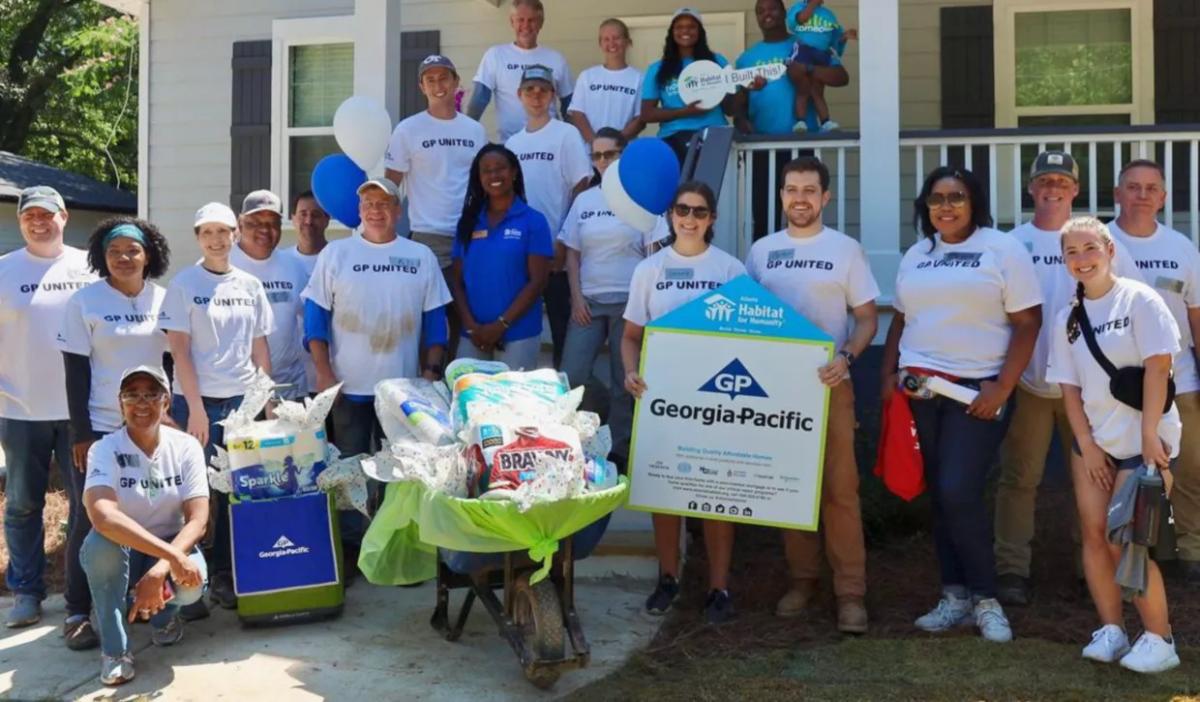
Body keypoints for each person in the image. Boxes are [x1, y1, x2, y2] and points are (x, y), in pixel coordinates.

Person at [880, 166, 1042, 643]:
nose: (945, 206)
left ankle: (987, 600)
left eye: (956, 197)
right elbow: (901, 319)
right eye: (936, 199)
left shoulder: (1002, 248)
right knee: (941, 494)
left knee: (958, 489)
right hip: (919, 391)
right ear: (925, 207)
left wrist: (1002, 388)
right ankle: (954, 597)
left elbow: (1028, 322)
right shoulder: (917, 254)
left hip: (977, 393)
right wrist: (888, 374)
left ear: (975, 203)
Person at [994, 151, 1143, 606]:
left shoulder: (1092, 240)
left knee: (1096, 479)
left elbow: (1129, 304)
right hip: (1032, 384)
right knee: (1019, 479)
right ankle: (1012, 570)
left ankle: (1093, 567)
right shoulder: (1010, 244)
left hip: (1092, 390)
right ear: (1031, 188)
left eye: (1062, 181)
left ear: (1076, 189)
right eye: (1044, 181)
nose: (1052, 188)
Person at [745, 157, 878, 633]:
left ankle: (851, 593)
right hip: (776, 390)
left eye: (809, 190)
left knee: (841, 491)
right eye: (790, 189)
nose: (798, 198)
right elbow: (748, 315)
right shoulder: (762, 251)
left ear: (825, 197)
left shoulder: (845, 250)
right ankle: (803, 581)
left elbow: (867, 316)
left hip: (831, 384)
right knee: (790, 489)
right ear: (781, 196)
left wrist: (847, 357)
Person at [1048, 216, 1181, 673]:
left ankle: (1160, 640)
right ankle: (1112, 630)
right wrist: (1086, 442)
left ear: (1108, 248)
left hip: (1144, 445)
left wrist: (1148, 437)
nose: (1082, 260)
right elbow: (1067, 387)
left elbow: (1159, 368)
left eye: (1090, 249)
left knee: (1129, 542)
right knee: (1094, 537)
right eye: (1072, 253)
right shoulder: (1066, 316)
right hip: (1095, 443)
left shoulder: (1140, 299)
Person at [302, 177, 451, 574]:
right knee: (350, 470)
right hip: (348, 388)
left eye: (384, 203)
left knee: (399, 472)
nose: (375, 210)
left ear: (397, 212)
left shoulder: (420, 256)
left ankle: (393, 553)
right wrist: (323, 372)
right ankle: (352, 552)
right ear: (359, 210)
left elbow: (435, 320)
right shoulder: (336, 254)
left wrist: (431, 372)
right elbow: (316, 319)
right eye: (368, 202)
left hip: (402, 392)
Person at [622, 181, 747, 625]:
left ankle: (718, 586)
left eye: (699, 211)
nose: (689, 219)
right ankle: (668, 578)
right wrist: (630, 371)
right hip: (663, 398)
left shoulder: (732, 270)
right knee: (664, 493)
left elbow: (749, 340)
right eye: (682, 210)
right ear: (671, 214)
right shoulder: (649, 270)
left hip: (717, 400)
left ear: (712, 219)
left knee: (717, 495)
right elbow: (630, 337)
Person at [57, 217, 172, 647]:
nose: (124, 258)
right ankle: (75, 612)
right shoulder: (84, 302)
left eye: (133, 250)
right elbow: (75, 371)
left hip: (153, 428)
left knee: (152, 513)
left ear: (149, 254)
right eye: (114, 252)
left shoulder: (165, 299)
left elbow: (174, 362)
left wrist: (171, 414)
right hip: (103, 427)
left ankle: (151, 600)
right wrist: (80, 434)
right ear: (101, 258)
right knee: (89, 521)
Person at [159, 202, 273, 609]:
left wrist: (267, 401)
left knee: (234, 491)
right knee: (194, 493)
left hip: (243, 402)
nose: (216, 239)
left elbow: (260, 347)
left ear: (235, 235)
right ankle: (187, 579)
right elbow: (180, 351)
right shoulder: (185, 284)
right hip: (198, 403)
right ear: (197, 238)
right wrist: (197, 410)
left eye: (223, 231)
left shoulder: (250, 285)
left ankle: (225, 573)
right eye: (207, 232)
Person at [1, 186, 97, 635]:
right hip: (19, 408)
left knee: (86, 503)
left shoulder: (89, 267)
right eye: (29, 216)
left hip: (82, 411)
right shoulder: (4, 271)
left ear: (64, 216)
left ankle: (83, 590)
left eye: (46, 214)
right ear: (21, 222)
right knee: (22, 504)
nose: (38, 223)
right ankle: (26, 591)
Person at [80, 366, 209, 686]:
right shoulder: (105, 448)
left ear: (166, 402)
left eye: (151, 394)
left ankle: (162, 618)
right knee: (99, 547)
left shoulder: (186, 446)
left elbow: (199, 519)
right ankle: (115, 650)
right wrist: (171, 558)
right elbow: (102, 516)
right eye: (131, 394)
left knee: (193, 582)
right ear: (119, 403)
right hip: (123, 548)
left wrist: (160, 568)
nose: (141, 402)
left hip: (167, 546)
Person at [1107, 159, 1200, 588]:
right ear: (1117, 194)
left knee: (1188, 470)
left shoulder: (1182, 248)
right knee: (1108, 474)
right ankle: (1104, 554)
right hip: (1117, 386)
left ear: (1163, 198)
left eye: (1151, 188)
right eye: (1133, 187)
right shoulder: (1102, 243)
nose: (1142, 195)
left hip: (1179, 378)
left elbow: (1196, 315)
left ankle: (1190, 549)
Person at [559, 128, 655, 469]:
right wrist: (576, 299)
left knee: (623, 380)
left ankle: (621, 450)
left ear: (623, 155)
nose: (603, 161)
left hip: (629, 304)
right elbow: (571, 254)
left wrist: (645, 305)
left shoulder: (641, 197)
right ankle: (580, 440)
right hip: (589, 303)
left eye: (610, 154)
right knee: (571, 375)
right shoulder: (585, 200)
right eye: (597, 155)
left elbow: (653, 254)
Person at [385, 54, 487, 359]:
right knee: (429, 317)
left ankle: (458, 383)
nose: (438, 85)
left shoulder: (474, 131)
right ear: (421, 86)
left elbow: (485, 182)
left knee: (467, 317)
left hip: (472, 237)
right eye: (430, 79)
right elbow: (391, 187)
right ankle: (427, 382)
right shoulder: (408, 129)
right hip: (428, 237)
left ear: (456, 82)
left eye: (444, 78)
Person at [506, 64, 593, 369]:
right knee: (520, 325)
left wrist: (563, 239)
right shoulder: (512, 144)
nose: (536, 96)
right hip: (521, 250)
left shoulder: (566, 134)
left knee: (561, 328)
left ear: (554, 95)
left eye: (543, 90)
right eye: (530, 89)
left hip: (557, 250)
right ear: (519, 95)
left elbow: (582, 187)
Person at [734, 0, 830, 239]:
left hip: (802, 142)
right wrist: (741, 121)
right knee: (763, 213)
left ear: (784, 13)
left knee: (804, 211)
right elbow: (738, 107)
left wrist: (807, 70)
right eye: (760, 11)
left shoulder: (803, 45)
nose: (767, 14)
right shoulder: (746, 59)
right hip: (762, 145)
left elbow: (838, 74)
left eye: (772, 9)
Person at [451, 144, 553, 371]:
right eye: (486, 170)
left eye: (500, 168)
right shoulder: (468, 222)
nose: (494, 175)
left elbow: (538, 282)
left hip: (518, 334)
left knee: (512, 405)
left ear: (514, 172)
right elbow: (457, 282)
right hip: (472, 335)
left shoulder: (533, 221)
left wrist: (500, 325)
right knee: (468, 403)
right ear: (479, 177)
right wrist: (471, 326)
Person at [229, 190, 310, 400]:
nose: (265, 230)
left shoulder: (293, 266)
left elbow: (310, 318)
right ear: (239, 223)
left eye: (273, 223)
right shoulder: (222, 264)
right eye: (255, 222)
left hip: (288, 388)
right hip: (237, 391)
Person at [468, 0, 573, 141]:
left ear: (541, 23)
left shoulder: (556, 59)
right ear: (512, 22)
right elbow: (479, 101)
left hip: (551, 142)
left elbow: (569, 106)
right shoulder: (495, 55)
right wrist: (467, 134)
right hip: (510, 145)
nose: (525, 26)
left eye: (532, 20)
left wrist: (574, 139)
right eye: (520, 20)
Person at [640, 8, 731, 164]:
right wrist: (685, 112)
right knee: (680, 188)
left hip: (715, 134)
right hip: (674, 138)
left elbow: (731, 108)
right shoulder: (657, 69)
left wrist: (745, 88)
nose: (685, 31)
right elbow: (647, 114)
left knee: (715, 187)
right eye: (679, 27)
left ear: (700, 31)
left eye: (691, 26)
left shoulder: (717, 61)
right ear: (672, 32)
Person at [567, 18, 644, 144]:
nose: (612, 43)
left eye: (617, 38)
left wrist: (615, 143)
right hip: (591, 154)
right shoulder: (587, 76)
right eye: (606, 39)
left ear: (627, 42)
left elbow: (640, 118)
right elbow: (577, 113)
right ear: (600, 43)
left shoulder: (639, 78)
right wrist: (596, 144)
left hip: (623, 151)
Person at [784, 0, 854, 133]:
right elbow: (800, 19)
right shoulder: (798, 7)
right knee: (803, 89)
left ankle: (825, 122)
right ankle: (800, 121)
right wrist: (812, 4)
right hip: (803, 50)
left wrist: (844, 37)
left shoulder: (829, 15)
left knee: (817, 91)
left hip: (821, 53)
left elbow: (834, 41)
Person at [281, 190, 331, 277]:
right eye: (303, 214)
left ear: (326, 220)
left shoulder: (338, 258)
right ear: (293, 219)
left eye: (315, 215)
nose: (309, 221)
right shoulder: (282, 261)